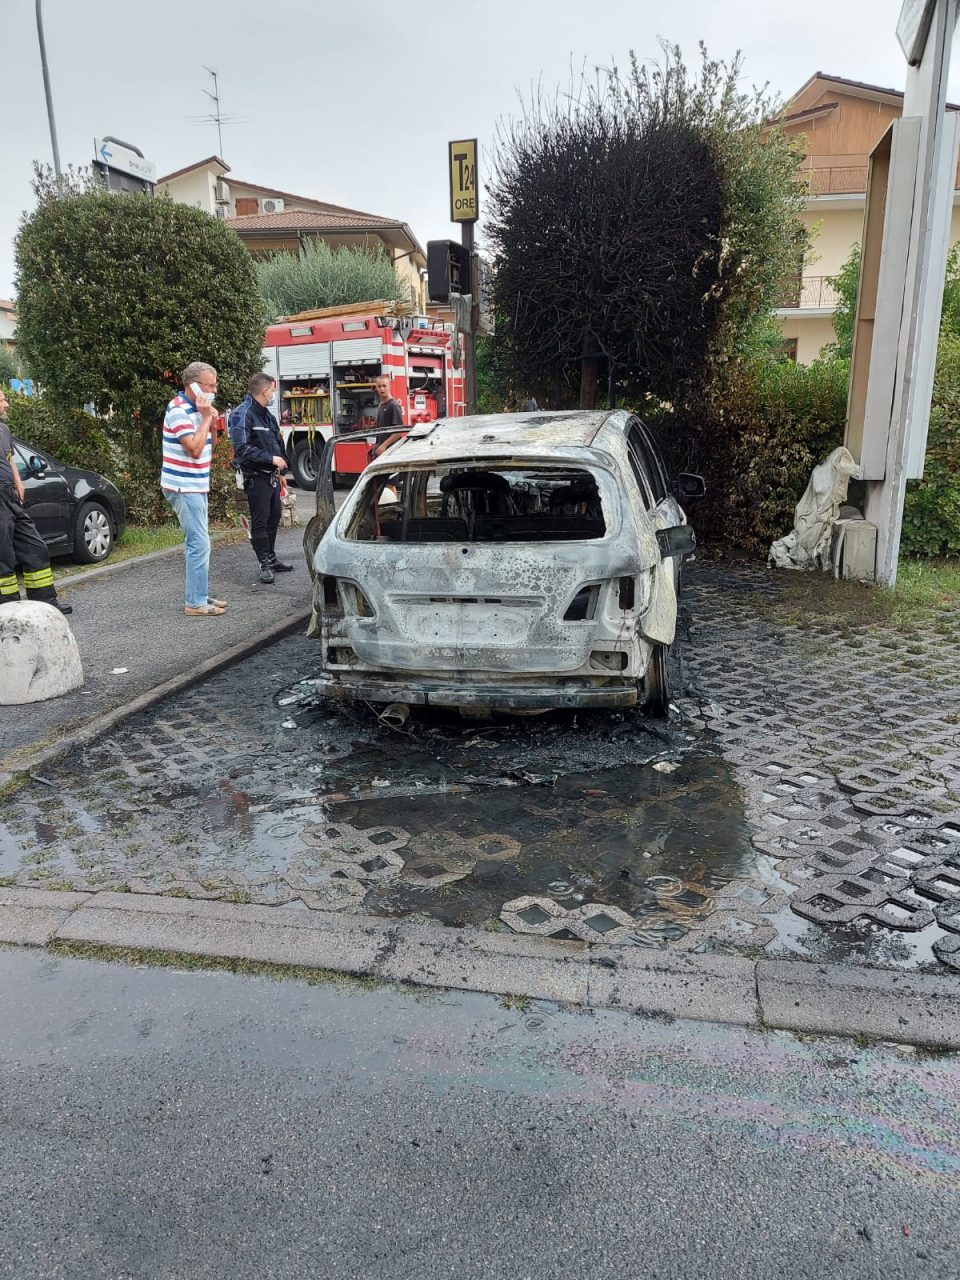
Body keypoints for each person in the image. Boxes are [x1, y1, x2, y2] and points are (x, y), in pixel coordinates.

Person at [161, 362, 228, 617]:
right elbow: (196, 448)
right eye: (209, 385)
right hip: (183, 485)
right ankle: (195, 602)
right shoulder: (178, 410)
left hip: (196, 483)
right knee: (199, 544)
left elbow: (211, 443)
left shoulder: (196, 409)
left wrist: (207, 416)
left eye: (214, 384)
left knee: (199, 543)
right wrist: (208, 416)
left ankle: (198, 592)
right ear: (193, 386)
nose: (214, 389)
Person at [0, 389, 71, 614]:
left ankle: (45, 603)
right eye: (2, 400)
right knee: (3, 556)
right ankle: (8, 609)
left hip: (10, 496)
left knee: (35, 547)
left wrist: (19, 483)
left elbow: (9, 459)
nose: (6, 404)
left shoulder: (4, 430)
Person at [228, 372, 293, 585]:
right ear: (265, 390)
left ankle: (271, 558)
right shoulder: (242, 414)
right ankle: (264, 563)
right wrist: (271, 459)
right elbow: (242, 448)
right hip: (256, 477)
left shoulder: (266, 415)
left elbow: (276, 443)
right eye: (273, 390)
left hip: (271, 477)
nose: (274, 393)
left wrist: (281, 471)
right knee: (260, 520)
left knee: (274, 517)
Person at [371, 374, 405, 458]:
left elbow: (398, 431)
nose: (382, 389)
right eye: (379, 386)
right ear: (376, 388)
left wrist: (384, 445)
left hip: (391, 451)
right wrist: (377, 445)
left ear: (389, 386)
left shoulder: (393, 405)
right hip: (382, 450)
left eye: (384, 386)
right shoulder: (381, 405)